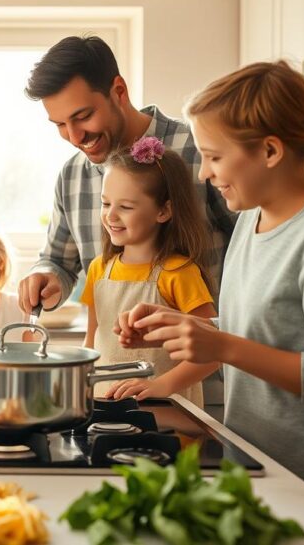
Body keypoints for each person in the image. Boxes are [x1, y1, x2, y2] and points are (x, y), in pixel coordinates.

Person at [116, 61, 304, 524]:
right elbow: (259, 331)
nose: (204, 174)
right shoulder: (249, 222)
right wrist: (182, 328)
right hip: (255, 464)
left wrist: (222, 344)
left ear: (270, 151)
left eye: (215, 157)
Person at [17, 35, 235, 317]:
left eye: (83, 116)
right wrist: (46, 277)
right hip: (111, 358)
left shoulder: (199, 149)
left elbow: (255, 244)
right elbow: (57, 261)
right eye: (60, 124)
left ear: (119, 91)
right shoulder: (72, 176)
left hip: (205, 356)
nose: (74, 137)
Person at [79, 137, 217, 406]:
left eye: (126, 207)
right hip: (106, 410)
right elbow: (93, 338)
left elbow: (213, 351)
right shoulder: (99, 269)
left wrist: (160, 386)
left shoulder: (178, 273)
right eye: (106, 204)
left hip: (168, 416)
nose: (111, 216)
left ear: (163, 211)